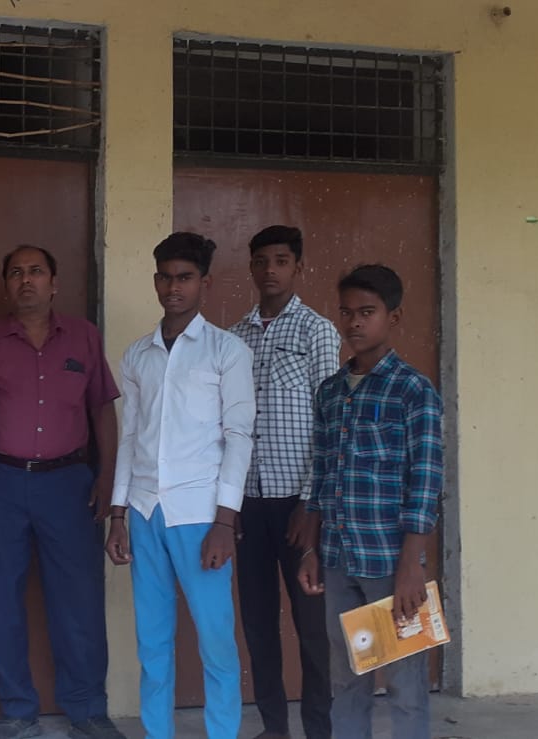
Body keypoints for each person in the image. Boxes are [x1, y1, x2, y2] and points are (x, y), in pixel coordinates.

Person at [0, 245, 125, 739]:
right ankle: (18, 711)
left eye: (36, 271)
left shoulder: (84, 337)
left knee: (79, 599)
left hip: (69, 483)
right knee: (0, 597)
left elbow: (102, 409)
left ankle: (87, 709)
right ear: (7, 286)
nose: (27, 280)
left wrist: (108, 476)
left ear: (54, 283)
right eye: (16, 273)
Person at [105, 232, 254, 739]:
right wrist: (118, 514)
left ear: (204, 283)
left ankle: (222, 733)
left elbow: (239, 437)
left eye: (185, 278)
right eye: (166, 277)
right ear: (155, 281)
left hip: (200, 516)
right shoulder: (137, 356)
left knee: (216, 642)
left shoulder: (227, 351)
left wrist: (224, 522)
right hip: (145, 512)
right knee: (152, 642)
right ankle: (157, 732)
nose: (174, 287)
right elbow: (129, 437)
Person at [297, 264, 443, 739]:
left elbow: (425, 480)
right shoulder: (330, 392)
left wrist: (411, 565)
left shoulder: (413, 390)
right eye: (346, 313)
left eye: (367, 312)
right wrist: (311, 549)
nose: (354, 322)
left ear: (392, 317)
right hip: (339, 559)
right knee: (347, 678)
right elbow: (322, 476)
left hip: (391, 563)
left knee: (405, 684)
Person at [227, 226, 337, 739]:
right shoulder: (234, 338)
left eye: (281, 260)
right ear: (251, 267)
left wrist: (311, 505)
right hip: (248, 502)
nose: (270, 270)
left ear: (298, 268)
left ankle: (319, 729)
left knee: (312, 626)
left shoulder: (317, 332)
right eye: (261, 261)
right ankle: (274, 728)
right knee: (257, 623)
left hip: (299, 505)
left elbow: (328, 423)